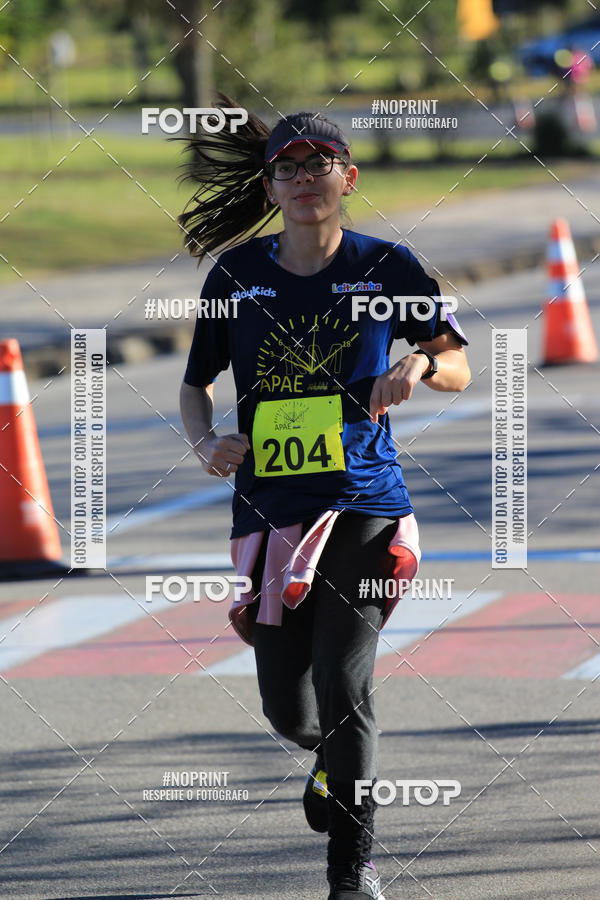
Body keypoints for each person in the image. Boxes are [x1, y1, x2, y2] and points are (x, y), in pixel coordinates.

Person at [179, 96, 470, 900]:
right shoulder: (236, 276)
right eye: (289, 168)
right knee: (288, 703)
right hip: (271, 509)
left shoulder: (388, 268)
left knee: (347, 686)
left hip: (366, 502)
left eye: (320, 164)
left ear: (348, 177)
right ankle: (325, 763)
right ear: (270, 187)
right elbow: (196, 386)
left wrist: (419, 367)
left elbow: (458, 363)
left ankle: (353, 870)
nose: (306, 178)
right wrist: (206, 443)